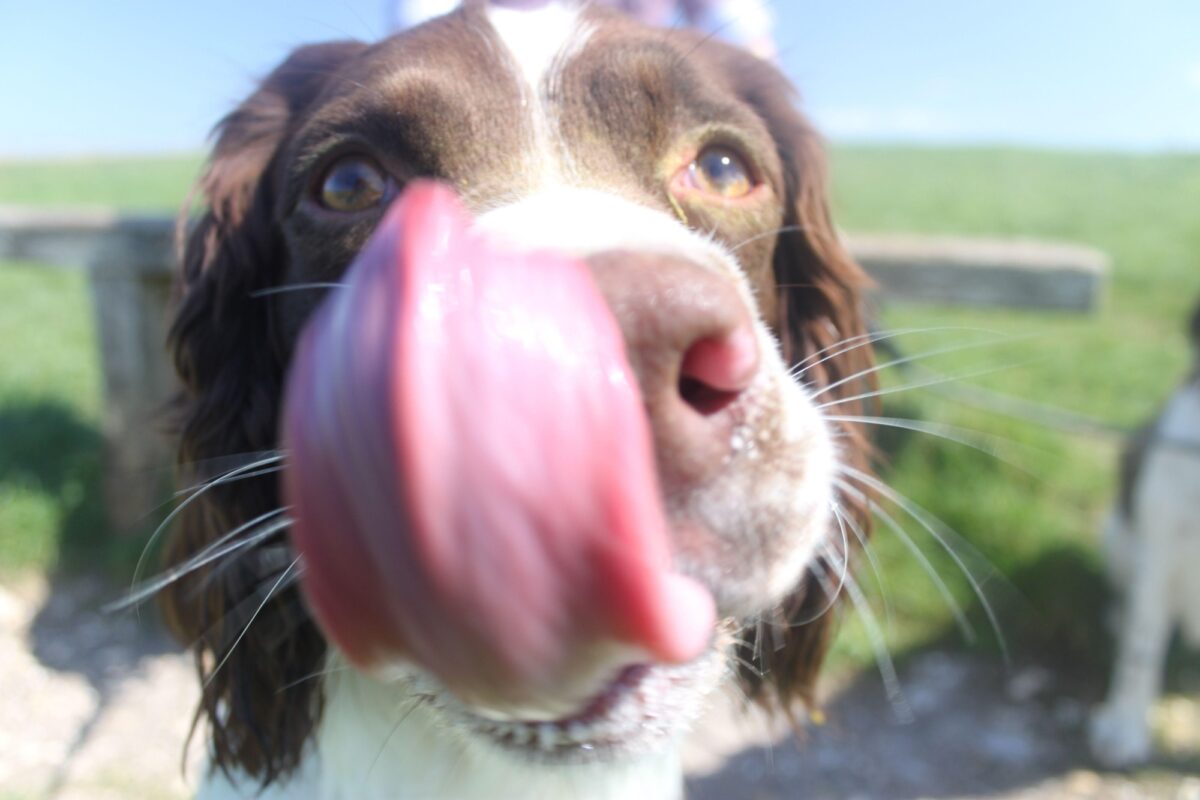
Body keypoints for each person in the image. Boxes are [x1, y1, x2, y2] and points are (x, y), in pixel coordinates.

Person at [390, 0, 776, 60]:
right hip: (498, 66)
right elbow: (420, 18)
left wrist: (758, 53)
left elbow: (737, 19)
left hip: (629, 62)